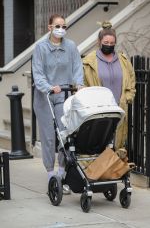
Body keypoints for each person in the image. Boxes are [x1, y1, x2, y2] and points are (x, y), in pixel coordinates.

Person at [32, 14, 84, 193]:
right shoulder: (40, 48)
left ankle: (62, 173)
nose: (61, 29)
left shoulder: (70, 47)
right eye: (57, 26)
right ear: (49, 27)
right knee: (48, 137)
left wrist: (78, 83)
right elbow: (37, 73)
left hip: (64, 96)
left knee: (64, 134)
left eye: (63, 26)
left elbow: (77, 67)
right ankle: (50, 175)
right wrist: (47, 87)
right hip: (45, 96)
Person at [83, 21, 136, 150]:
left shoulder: (123, 60)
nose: (109, 46)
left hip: (119, 107)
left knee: (118, 141)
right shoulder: (89, 61)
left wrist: (129, 96)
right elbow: (83, 83)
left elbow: (131, 79)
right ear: (99, 42)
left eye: (112, 43)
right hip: (99, 108)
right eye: (106, 43)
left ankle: (114, 167)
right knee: (100, 140)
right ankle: (100, 166)